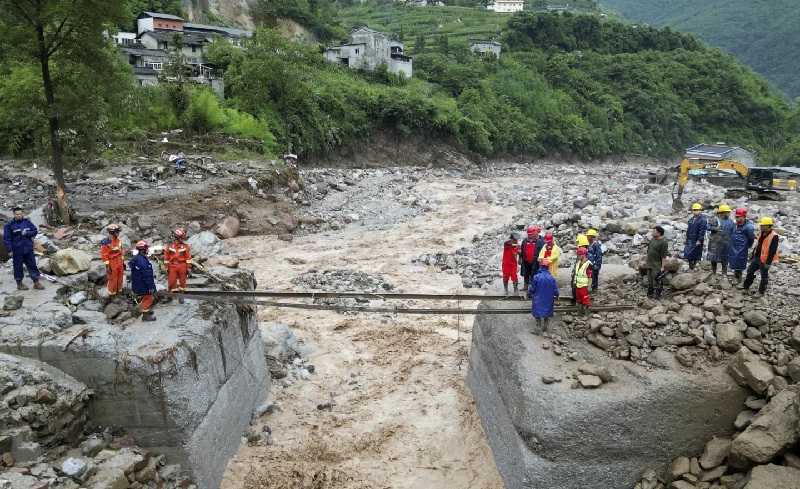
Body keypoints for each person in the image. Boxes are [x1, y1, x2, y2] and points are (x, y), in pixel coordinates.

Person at [3, 207, 44, 290]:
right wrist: (10, 250)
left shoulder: (27, 222)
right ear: (14, 215)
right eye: (17, 214)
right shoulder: (9, 225)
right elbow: (7, 239)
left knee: (32, 265)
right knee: (18, 267)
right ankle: (19, 284)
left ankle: (36, 282)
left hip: (28, 248)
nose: (19, 215)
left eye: (20, 214)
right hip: (17, 250)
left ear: (23, 214)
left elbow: (35, 230)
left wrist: (27, 233)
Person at [742, 216, 780, 295]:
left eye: (762, 225)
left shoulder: (774, 236)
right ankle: (746, 287)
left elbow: (772, 251)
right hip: (757, 257)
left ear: (768, 226)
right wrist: (752, 255)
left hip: (765, 260)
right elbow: (758, 245)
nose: (760, 226)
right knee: (750, 271)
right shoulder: (762, 232)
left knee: (764, 276)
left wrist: (768, 263)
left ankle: (761, 292)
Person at [130, 240, 157, 321]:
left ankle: (146, 310)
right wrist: (151, 287)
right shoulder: (142, 261)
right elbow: (147, 276)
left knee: (146, 298)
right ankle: (145, 315)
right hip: (143, 285)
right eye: (146, 248)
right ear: (143, 250)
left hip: (138, 284)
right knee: (149, 298)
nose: (147, 250)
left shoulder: (137, 258)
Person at [529, 261, 559, 334]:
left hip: (538, 300)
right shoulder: (551, 278)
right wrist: (557, 295)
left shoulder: (536, 277)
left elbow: (532, 289)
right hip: (548, 300)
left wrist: (529, 294)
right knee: (547, 314)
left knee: (537, 313)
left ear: (540, 266)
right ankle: (545, 327)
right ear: (548, 267)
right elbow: (555, 290)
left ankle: (538, 327)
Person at [729, 208, 755, 284]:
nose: (737, 218)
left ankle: (738, 277)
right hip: (734, 246)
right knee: (734, 261)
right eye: (736, 217)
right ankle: (736, 275)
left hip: (742, 247)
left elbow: (751, 238)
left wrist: (748, 246)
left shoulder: (748, 227)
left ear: (744, 216)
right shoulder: (735, 224)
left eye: (738, 217)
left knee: (739, 262)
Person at [707, 204, 735, 275]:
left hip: (726, 243)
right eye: (727, 212)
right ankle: (713, 273)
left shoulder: (731, 222)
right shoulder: (715, 219)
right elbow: (707, 226)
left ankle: (724, 274)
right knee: (713, 258)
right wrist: (715, 228)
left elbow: (733, 232)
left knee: (725, 259)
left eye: (729, 212)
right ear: (722, 213)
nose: (728, 214)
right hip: (715, 243)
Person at [164, 228, 192, 294]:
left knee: (182, 280)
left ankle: (182, 293)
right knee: (172, 280)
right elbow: (166, 258)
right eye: (181, 238)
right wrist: (166, 267)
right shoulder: (169, 246)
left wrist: (188, 267)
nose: (182, 239)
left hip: (182, 265)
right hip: (172, 265)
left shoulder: (185, 246)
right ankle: (173, 294)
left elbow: (188, 258)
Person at [99, 224, 125, 296]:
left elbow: (121, 251)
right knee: (113, 277)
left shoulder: (118, 241)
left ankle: (119, 290)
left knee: (120, 276)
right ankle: (112, 293)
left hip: (119, 261)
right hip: (112, 262)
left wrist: (123, 263)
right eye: (117, 232)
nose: (119, 233)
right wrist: (107, 266)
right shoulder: (106, 243)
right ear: (112, 233)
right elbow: (104, 255)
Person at [519, 225, 544, 293]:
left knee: (534, 274)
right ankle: (525, 286)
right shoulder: (525, 241)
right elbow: (522, 250)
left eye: (531, 234)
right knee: (526, 274)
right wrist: (520, 258)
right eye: (529, 234)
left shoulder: (541, 241)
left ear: (536, 233)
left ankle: (534, 288)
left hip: (536, 261)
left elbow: (543, 252)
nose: (530, 236)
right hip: (526, 261)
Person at [683, 203, 707, 270]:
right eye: (694, 210)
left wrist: (699, 240)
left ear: (700, 210)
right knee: (688, 253)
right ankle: (691, 266)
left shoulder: (703, 219)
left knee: (696, 253)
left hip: (697, 239)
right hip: (690, 238)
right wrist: (686, 238)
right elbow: (688, 229)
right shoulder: (691, 219)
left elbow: (702, 231)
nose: (695, 211)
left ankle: (694, 265)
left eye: (697, 210)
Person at [647, 226, 669, 298]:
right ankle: (650, 294)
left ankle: (658, 295)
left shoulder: (663, 242)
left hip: (657, 264)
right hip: (649, 263)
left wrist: (662, 267)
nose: (652, 232)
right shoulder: (653, 239)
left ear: (659, 233)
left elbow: (664, 256)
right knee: (649, 280)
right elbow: (649, 250)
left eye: (654, 231)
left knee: (657, 280)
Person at [573, 247, 593, 314]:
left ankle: (586, 313)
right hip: (577, 284)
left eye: (579, 255)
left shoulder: (588, 264)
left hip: (584, 285)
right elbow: (576, 274)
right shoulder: (578, 263)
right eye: (578, 255)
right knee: (579, 299)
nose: (578, 256)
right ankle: (580, 312)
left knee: (585, 299)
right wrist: (574, 282)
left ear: (584, 255)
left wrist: (589, 286)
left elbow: (590, 276)